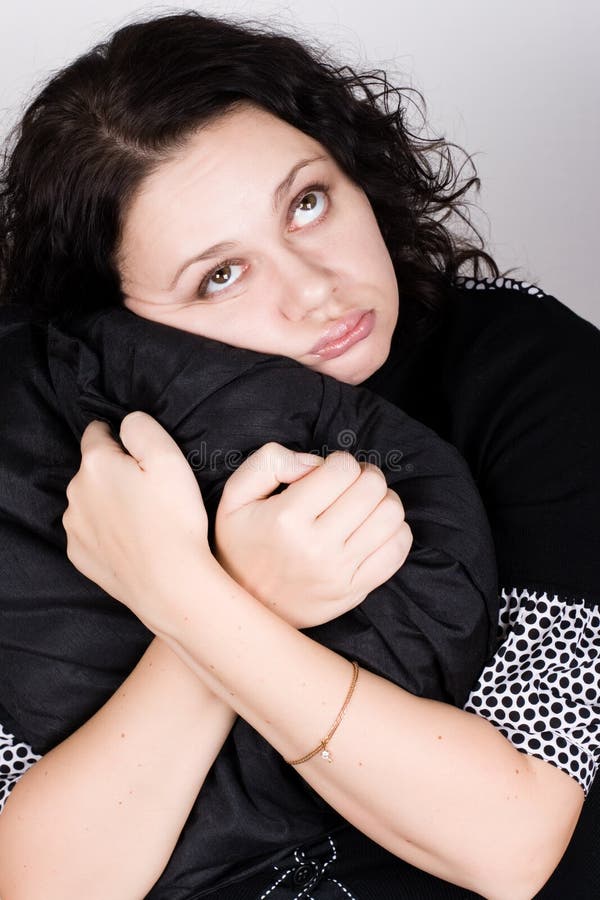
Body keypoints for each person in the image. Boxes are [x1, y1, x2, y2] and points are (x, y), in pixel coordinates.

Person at [0, 10, 598, 899]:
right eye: (221, 275)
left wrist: (198, 595)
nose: (316, 290)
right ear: (120, 322)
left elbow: (511, 836)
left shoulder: (525, 365)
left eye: (306, 204)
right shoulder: (54, 452)